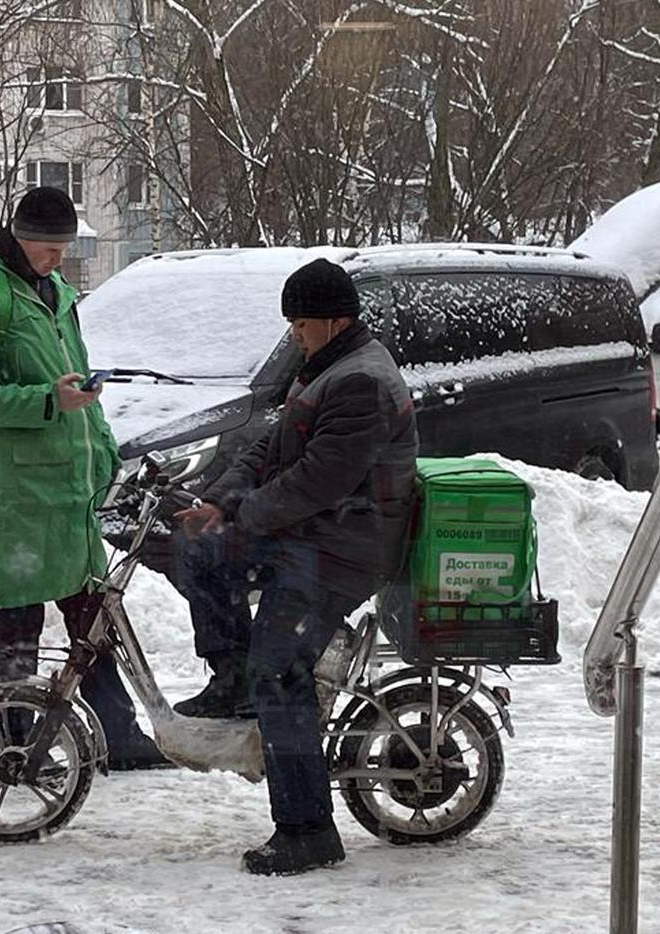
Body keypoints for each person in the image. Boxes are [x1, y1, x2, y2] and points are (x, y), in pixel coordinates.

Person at [171, 258, 418, 874]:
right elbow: (268, 447)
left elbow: (319, 480)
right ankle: (231, 682)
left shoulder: (360, 381)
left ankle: (308, 830)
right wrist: (218, 501)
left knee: (279, 669)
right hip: (315, 533)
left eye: (300, 325)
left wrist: (246, 515)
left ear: (335, 321)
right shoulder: (326, 367)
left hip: (345, 546)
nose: (294, 336)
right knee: (200, 553)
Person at [0, 186, 171, 771]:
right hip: (13, 491)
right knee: (18, 613)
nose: (58, 258)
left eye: (64, 247)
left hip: (69, 486)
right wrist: (48, 402)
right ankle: (17, 743)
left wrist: (101, 444)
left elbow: (76, 382)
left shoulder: (57, 293)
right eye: (49, 247)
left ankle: (118, 734)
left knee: (91, 613)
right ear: (19, 236)